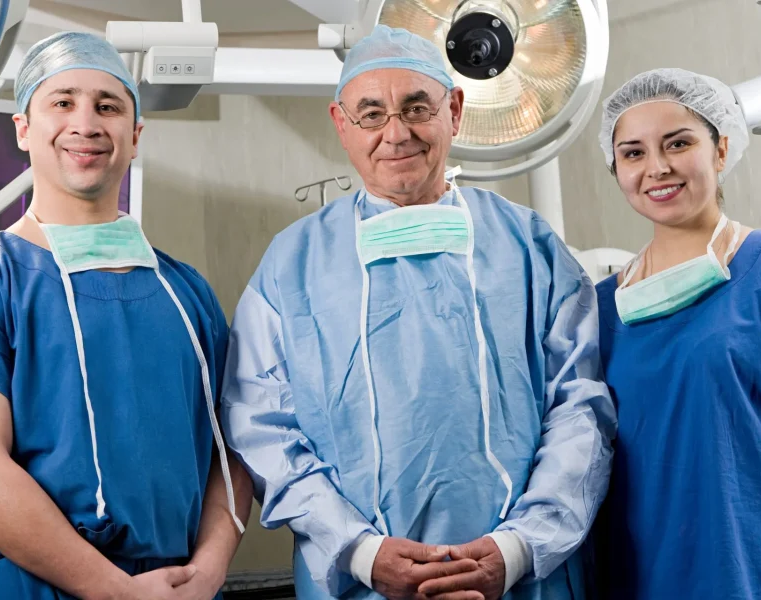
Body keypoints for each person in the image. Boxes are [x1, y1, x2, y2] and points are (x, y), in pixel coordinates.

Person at [220, 24, 616, 600]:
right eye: (371, 114)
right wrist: (358, 551)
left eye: (416, 108)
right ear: (340, 124)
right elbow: (259, 425)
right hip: (361, 583)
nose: (396, 133)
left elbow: (580, 407)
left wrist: (519, 548)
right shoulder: (293, 264)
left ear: (454, 109)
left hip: (522, 578)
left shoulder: (528, 245)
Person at [0, 31, 252, 600]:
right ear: (23, 129)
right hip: (25, 583)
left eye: (107, 107)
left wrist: (210, 567)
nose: (86, 124)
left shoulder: (187, 294)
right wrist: (114, 591)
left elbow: (230, 451)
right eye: (62, 102)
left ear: (134, 137)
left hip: (173, 586)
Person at [589, 68, 761, 599]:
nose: (657, 167)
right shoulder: (599, 311)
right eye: (633, 153)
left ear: (720, 150)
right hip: (641, 577)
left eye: (678, 143)